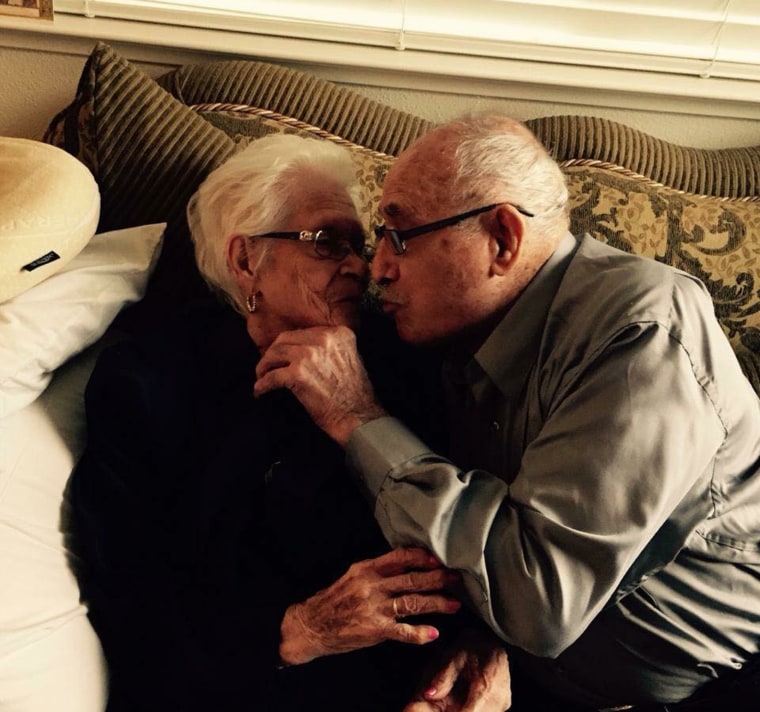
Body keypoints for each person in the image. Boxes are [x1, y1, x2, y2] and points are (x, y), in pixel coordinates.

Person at [253, 115, 760, 711]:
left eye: (400, 235)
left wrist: (358, 419)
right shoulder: (449, 332)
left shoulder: (640, 334)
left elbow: (538, 600)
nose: (378, 267)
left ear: (502, 239)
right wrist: (482, 641)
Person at [68, 133, 512, 712]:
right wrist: (303, 629)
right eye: (328, 243)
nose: (366, 267)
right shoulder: (150, 383)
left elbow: (489, 536)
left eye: (364, 243)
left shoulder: (412, 362)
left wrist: (481, 651)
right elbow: (130, 605)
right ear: (246, 259)